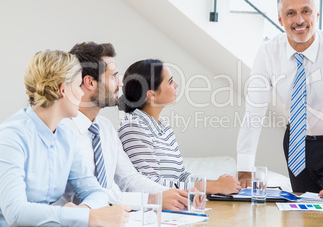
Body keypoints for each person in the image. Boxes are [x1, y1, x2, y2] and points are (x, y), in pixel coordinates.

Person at [237, 0, 323, 201]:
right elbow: (253, 113)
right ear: (280, 19)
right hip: (296, 144)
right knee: (300, 214)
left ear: (317, 15)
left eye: (306, 11)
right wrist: (244, 171)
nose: (299, 20)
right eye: (290, 13)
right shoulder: (268, 53)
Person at [0, 50, 130, 227]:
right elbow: (16, 213)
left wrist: (82, 211)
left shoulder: (65, 136)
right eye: (78, 86)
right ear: (63, 90)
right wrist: (86, 217)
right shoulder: (11, 137)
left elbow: (96, 191)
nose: (82, 94)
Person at [58, 42, 188, 211]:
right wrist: (152, 199)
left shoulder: (105, 128)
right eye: (113, 76)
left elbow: (129, 179)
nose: (120, 84)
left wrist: (171, 195)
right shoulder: (62, 131)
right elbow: (98, 193)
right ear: (90, 82)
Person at [118, 59, 242, 195]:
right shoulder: (133, 128)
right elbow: (151, 184)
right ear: (152, 94)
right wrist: (212, 187)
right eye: (170, 81)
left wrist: (215, 183)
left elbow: (182, 176)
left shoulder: (164, 127)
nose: (176, 85)